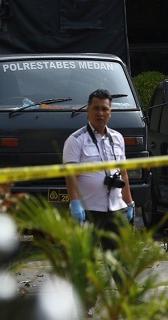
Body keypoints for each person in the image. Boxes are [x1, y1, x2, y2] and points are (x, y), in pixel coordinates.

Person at [63, 89, 135, 249]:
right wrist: (75, 203)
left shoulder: (118, 138)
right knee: (87, 264)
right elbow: (70, 175)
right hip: (88, 211)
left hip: (116, 210)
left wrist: (129, 203)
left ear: (110, 112)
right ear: (88, 110)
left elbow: (123, 173)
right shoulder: (75, 140)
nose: (100, 113)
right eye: (95, 108)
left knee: (121, 265)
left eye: (104, 109)